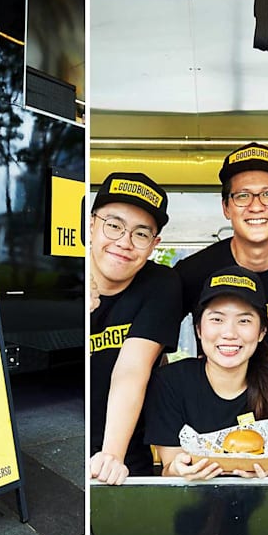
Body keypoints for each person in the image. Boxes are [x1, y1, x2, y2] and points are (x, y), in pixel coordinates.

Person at [144, 265, 268, 480]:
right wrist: (177, 469)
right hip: (188, 505)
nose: (229, 333)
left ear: (261, 332)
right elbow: (169, 468)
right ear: (199, 329)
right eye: (217, 319)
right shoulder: (170, 382)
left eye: (244, 320)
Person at [89, 172, 182, 485]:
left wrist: (111, 455)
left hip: (124, 457)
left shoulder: (161, 285)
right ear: (92, 224)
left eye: (141, 234)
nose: (123, 243)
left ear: (154, 244)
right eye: (114, 225)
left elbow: (131, 370)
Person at [174, 142, 268, 343]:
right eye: (242, 196)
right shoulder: (192, 272)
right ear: (226, 208)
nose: (256, 206)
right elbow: (151, 336)